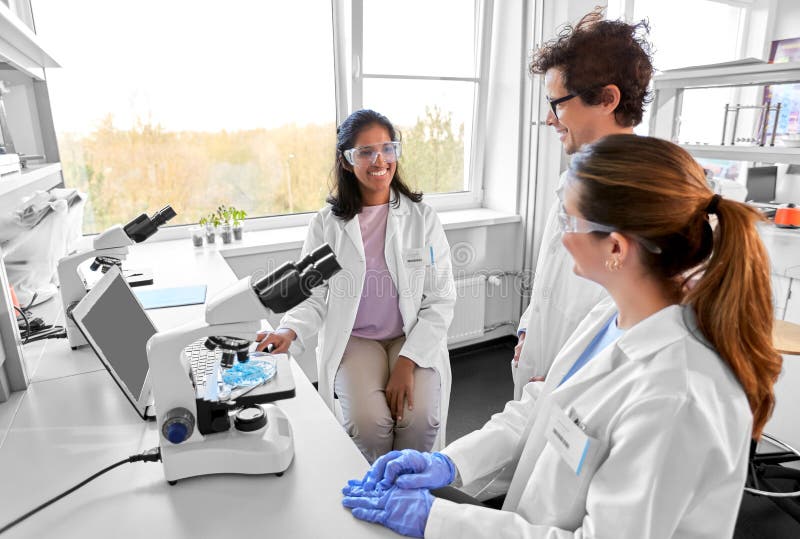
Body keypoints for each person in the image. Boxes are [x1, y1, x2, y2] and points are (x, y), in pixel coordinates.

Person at [341, 135, 783, 538]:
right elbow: (543, 409)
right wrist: (452, 463)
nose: (560, 240)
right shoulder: (611, 314)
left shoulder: (677, 394)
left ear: (615, 248)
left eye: (569, 223)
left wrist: (436, 520)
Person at [257, 109, 456, 463]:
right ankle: (375, 493)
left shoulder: (422, 218)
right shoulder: (327, 225)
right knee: (369, 424)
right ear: (347, 162)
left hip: (410, 336)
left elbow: (440, 299)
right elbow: (313, 295)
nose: (379, 160)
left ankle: (409, 495)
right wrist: (289, 330)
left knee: (419, 418)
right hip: (356, 337)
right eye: (365, 152)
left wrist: (408, 363)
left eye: (387, 148)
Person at [512, 8, 655, 400]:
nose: (548, 118)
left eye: (558, 103)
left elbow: (634, 321)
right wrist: (529, 327)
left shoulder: (646, 198)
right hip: (545, 359)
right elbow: (551, 272)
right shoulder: (573, 178)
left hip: (586, 386)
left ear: (608, 99)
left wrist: (568, 378)